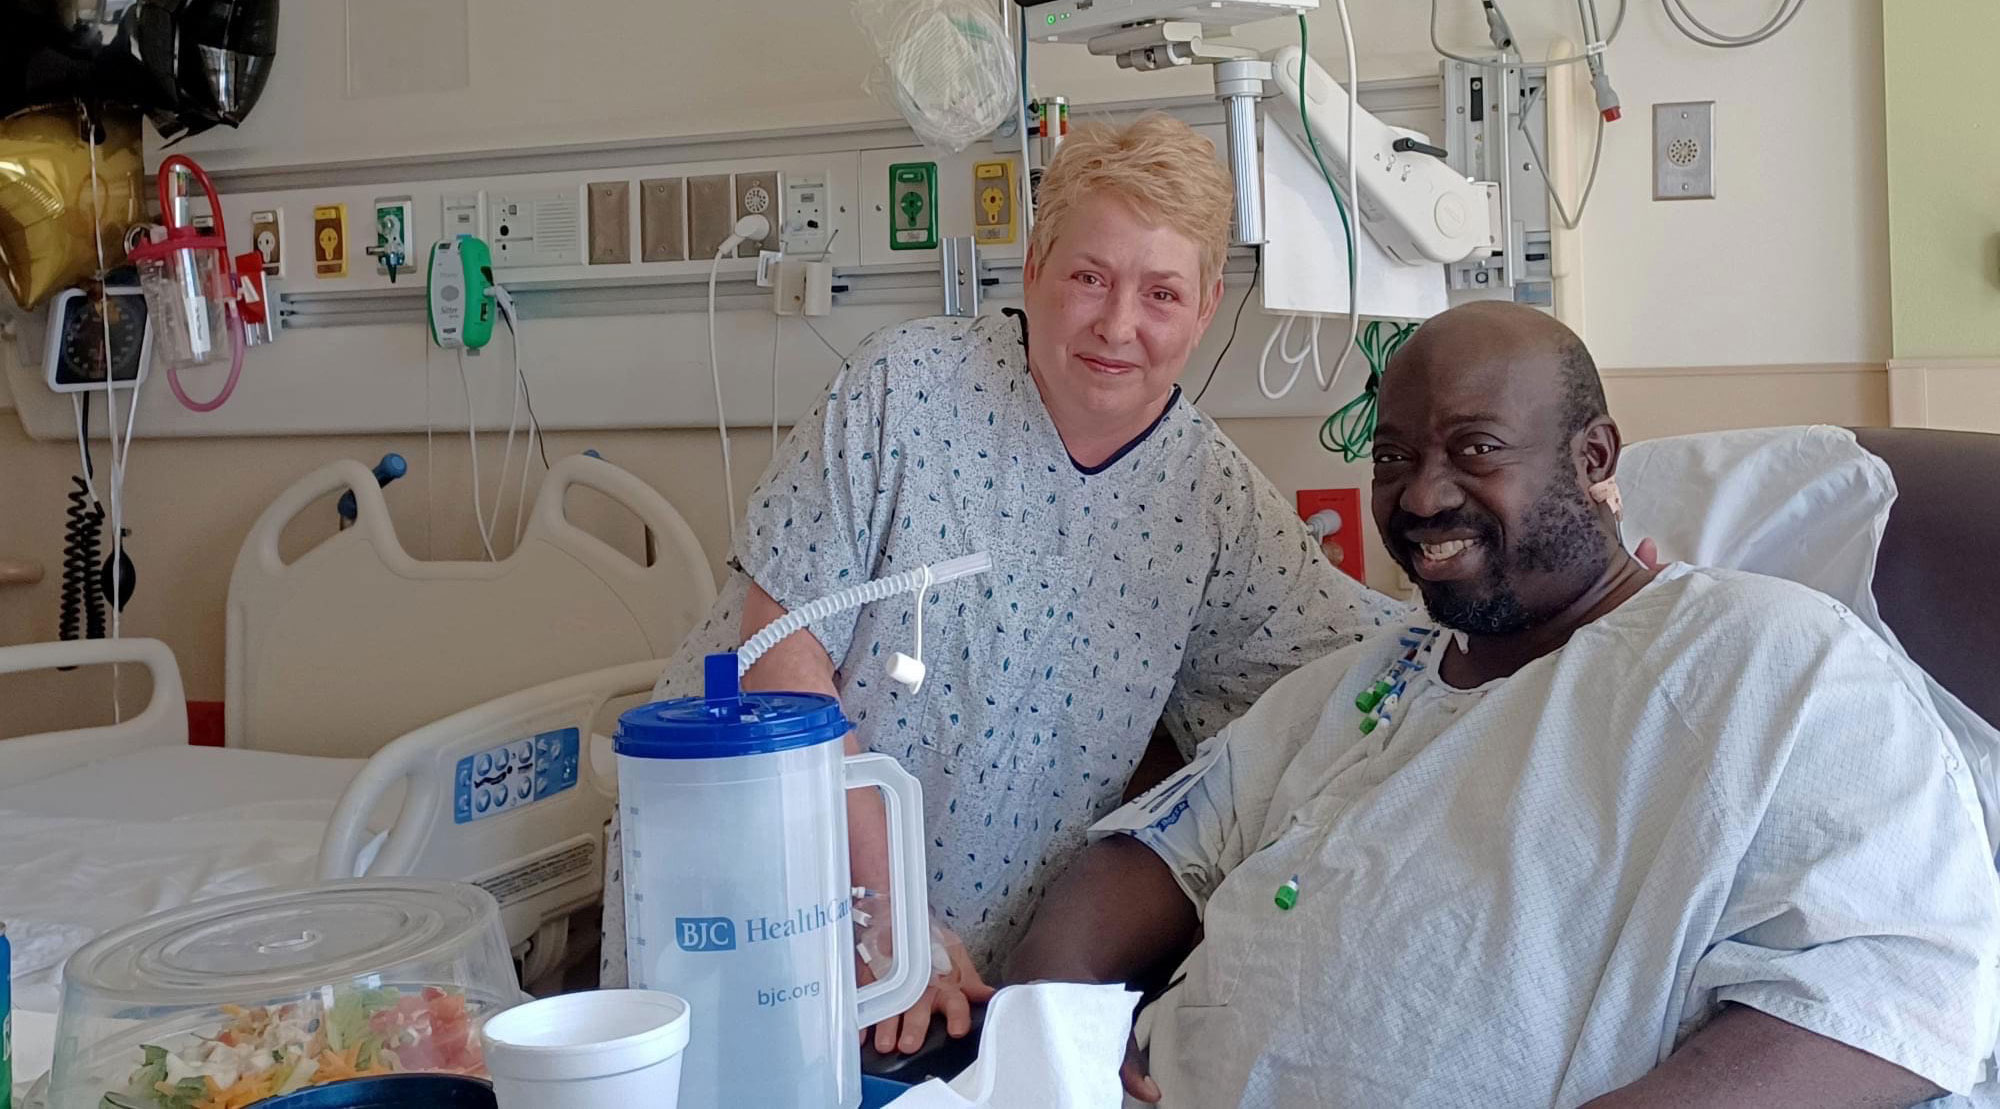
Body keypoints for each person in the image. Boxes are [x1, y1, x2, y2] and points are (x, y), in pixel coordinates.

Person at [1005, 301, 2000, 1108]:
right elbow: (1148, 850)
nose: (1419, 496)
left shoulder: (1760, 656)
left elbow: (1899, 986)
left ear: (1594, 459)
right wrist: (1047, 1049)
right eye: (1390, 457)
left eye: (1472, 448)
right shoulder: (1367, 676)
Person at [605, 114, 1396, 1051]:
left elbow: (1370, 667)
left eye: (1161, 293)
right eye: (1089, 277)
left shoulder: (1213, 505)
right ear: (1033, 267)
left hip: (969, 978)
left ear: (1207, 307)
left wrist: (1587, 607)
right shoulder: (905, 391)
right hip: (756, 886)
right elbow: (781, 650)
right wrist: (878, 910)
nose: (1118, 324)